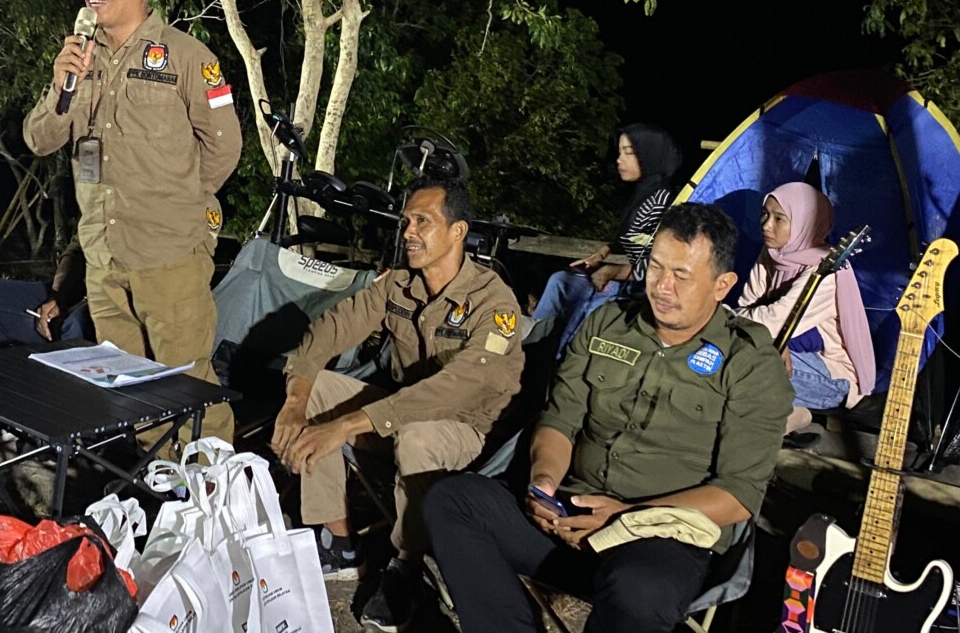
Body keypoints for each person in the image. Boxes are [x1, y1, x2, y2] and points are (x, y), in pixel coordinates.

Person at [423, 203, 793, 633]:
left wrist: (626, 518)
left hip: (657, 540)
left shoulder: (748, 361)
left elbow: (739, 494)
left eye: (682, 276)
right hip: (568, 518)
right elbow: (560, 419)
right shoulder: (608, 322)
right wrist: (542, 483)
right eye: (655, 268)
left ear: (722, 285)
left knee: (641, 590)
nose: (662, 287)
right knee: (453, 501)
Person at [271, 176, 525, 633]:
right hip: (400, 415)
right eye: (407, 220)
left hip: (466, 431)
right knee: (321, 387)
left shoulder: (493, 302)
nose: (408, 231)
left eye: (422, 221)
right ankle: (340, 545)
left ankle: (408, 564)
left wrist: (350, 425)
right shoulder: (399, 286)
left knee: (416, 435)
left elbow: (458, 386)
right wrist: (296, 399)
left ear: (457, 232)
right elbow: (332, 327)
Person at [23, 0, 243, 446]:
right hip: (103, 255)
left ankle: (222, 504)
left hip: (168, 253)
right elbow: (40, 139)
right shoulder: (78, 58)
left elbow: (224, 147)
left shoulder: (188, 57)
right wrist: (61, 86)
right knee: (130, 388)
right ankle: (159, 490)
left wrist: (177, 205)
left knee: (188, 388)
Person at [735, 181, 876, 434]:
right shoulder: (772, 254)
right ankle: (794, 416)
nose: (767, 225)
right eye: (765, 214)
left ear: (805, 223)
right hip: (779, 356)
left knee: (740, 359)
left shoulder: (825, 269)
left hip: (830, 376)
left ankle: (788, 417)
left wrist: (766, 333)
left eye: (780, 218)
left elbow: (767, 322)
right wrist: (778, 341)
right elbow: (745, 309)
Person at [532, 124, 682, 352]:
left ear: (649, 155)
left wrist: (612, 271)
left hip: (635, 289)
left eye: (629, 153)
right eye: (620, 152)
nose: (619, 160)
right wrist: (605, 251)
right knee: (560, 282)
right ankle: (530, 346)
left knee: (585, 316)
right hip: (618, 279)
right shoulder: (644, 194)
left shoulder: (663, 203)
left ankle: (560, 360)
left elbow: (653, 265)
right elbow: (632, 240)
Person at [0, 239, 94, 350]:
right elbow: (76, 249)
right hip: (78, 292)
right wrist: (58, 296)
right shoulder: (100, 199)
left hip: (106, 306)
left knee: (78, 325)